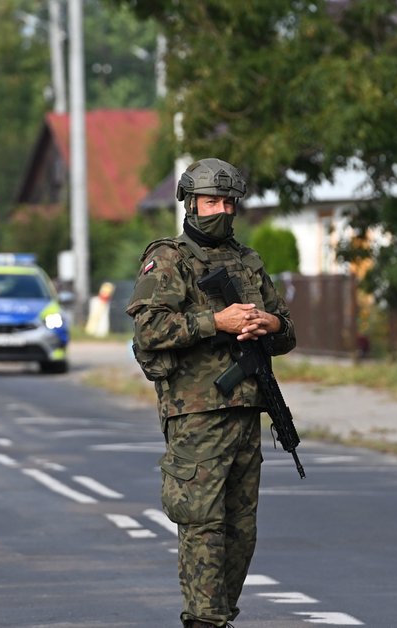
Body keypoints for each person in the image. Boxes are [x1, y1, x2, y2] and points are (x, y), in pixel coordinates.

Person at [125, 158, 297, 628]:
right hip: (196, 415)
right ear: (190, 204)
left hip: (247, 411)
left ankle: (220, 614)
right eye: (210, 202)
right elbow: (149, 330)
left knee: (241, 531)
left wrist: (269, 323)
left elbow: (287, 332)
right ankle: (205, 620)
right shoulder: (169, 259)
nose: (220, 210)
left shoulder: (248, 261)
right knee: (203, 524)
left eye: (227, 202)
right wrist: (215, 321)